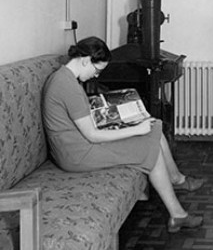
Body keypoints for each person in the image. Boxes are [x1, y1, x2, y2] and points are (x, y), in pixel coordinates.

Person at [42, 36, 204, 233]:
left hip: (76, 143)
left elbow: (82, 121)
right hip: (77, 154)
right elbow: (92, 136)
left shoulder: (64, 78)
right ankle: (177, 215)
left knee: (153, 126)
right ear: (85, 60)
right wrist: (135, 129)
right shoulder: (68, 86)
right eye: (97, 70)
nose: (95, 76)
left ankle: (176, 179)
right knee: (147, 148)